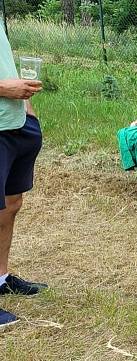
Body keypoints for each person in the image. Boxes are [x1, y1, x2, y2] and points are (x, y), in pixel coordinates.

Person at [0, 24, 47, 328]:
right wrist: (4, 89)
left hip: (15, 122)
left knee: (10, 204)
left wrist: (26, 105)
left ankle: (1, 278)